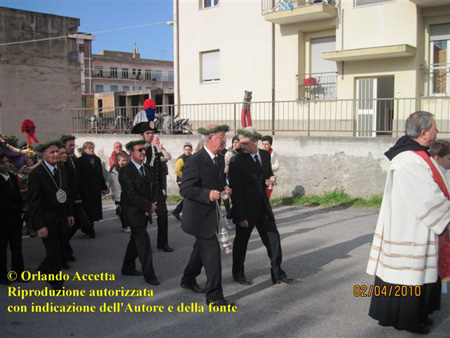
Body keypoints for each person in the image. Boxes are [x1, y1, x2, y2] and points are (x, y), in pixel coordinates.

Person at [367, 111, 450, 334]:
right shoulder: (409, 160)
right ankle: (407, 321)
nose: (437, 131)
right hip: (410, 229)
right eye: (434, 128)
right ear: (424, 133)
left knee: (415, 276)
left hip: (416, 225)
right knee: (408, 276)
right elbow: (426, 198)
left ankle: (419, 315)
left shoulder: (418, 155)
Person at [229, 126, 293, 286]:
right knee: (241, 244)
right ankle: (238, 273)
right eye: (240, 143)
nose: (241, 146)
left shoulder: (265, 155)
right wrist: (241, 215)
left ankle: (277, 272)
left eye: (245, 143)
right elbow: (235, 191)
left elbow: (267, 174)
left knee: (274, 240)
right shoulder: (236, 160)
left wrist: (271, 178)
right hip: (245, 210)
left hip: (263, 208)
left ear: (255, 142)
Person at [180, 124, 234, 307]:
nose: (225, 140)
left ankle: (188, 279)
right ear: (209, 139)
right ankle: (215, 297)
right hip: (197, 217)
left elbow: (215, 182)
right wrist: (207, 194)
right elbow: (185, 189)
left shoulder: (218, 158)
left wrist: (222, 188)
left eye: (225, 137)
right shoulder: (195, 160)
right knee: (212, 254)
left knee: (199, 250)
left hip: (211, 214)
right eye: (221, 137)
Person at [28, 141, 74, 290]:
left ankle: (43, 268)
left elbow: (65, 193)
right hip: (46, 219)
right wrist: (39, 225)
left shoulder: (60, 169)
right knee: (54, 252)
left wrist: (69, 213)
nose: (56, 155)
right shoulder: (37, 173)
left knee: (60, 249)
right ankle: (56, 284)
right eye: (52, 152)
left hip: (61, 216)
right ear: (43, 155)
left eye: (57, 152)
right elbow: (34, 202)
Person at [120, 140, 159, 285]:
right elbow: (131, 194)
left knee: (135, 241)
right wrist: (147, 206)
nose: (143, 152)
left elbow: (154, 187)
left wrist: (153, 203)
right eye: (139, 150)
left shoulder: (147, 168)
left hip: (146, 210)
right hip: (133, 212)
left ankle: (127, 267)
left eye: (144, 150)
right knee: (144, 243)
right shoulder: (125, 170)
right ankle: (150, 275)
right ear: (131, 153)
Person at [132, 122, 173, 252]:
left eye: (152, 133)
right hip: (144, 190)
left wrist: (160, 147)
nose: (150, 135)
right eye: (148, 133)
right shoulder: (139, 149)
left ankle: (163, 243)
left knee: (163, 214)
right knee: (141, 220)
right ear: (142, 135)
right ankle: (136, 247)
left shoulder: (155, 149)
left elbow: (165, 160)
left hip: (156, 188)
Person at [0, 152, 25, 285]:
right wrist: (16, 208)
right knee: (2, 249)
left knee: (17, 247)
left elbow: (17, 194)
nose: (6, 164)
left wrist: (21, 207)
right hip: (2, 219)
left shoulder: (12, 176)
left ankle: (18, 273)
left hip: (15, 219)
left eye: (7, 162)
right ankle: (3, 275)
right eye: (3, 162)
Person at [76, 141, 108, 238]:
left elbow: (100, 174)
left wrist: (103, 187)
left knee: (94, 210)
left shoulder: (97, 159)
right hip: (85, 189)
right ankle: (89, 229)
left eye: (92, 147)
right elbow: (78, 176)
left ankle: (90, 227)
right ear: (84, 149)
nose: (91, 149)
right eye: (89, 148)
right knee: (87, 209)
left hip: (95, 189)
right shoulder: (80, 161)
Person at [108, 152, 130, 233]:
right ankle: (125, 226)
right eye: (122, 161)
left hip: (128, 193)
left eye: (126, 160)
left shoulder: (129, 169)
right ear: (117, 161)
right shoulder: (113, 171)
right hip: (118, 194)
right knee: (124, 211)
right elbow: (108, 181)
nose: (124, 162)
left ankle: (127, 222)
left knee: (127, 210)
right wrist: (105, 189)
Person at [172, 142, 193, 221]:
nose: (187, 151)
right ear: (183, 150)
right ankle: (177, 211)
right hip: (182, 181)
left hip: (190, 181)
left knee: (189, 197)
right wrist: (185, 177)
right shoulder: (181, 159)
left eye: (189, 150)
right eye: (186, 150)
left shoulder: (192, 157)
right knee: (188, 196)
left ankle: (177, 211)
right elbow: (177, 171)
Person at [261, 135, 280, 200]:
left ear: (270, 144)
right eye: (263, 144)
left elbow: (277, 166)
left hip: (269, 175)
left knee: (267, 194)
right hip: (261, 176)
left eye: (266, 144)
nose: (264, 146)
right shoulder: (259, 153)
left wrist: (267, 167)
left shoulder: (273, 154)